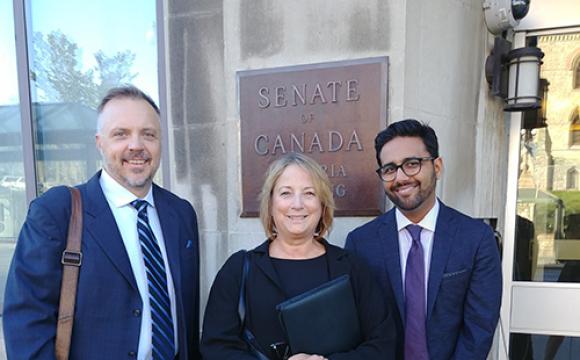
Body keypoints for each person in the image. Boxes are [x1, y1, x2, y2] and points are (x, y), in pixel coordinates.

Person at [3, 86, 200, 359]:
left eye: (148, 134)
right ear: (100, 142)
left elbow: (186, 316)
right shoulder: (57, 211)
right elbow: (26, 321)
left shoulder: (181, 214)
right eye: (121, 134)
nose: (136, 146)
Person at [201, 152, 396, 360]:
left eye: (309, 193)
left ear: (322, 205)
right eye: (286, 193)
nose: (297, 204)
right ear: (270, 203)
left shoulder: (352, 267)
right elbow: (216, 349)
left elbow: (382, 345)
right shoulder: (238, 269)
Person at [345, 119, 502, 360]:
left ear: (437, 166)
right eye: (389, 169)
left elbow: (479, 328)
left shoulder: (476, 238)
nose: (400, 177)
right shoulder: (361, 243)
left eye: (412, 164)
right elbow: (358, 328)